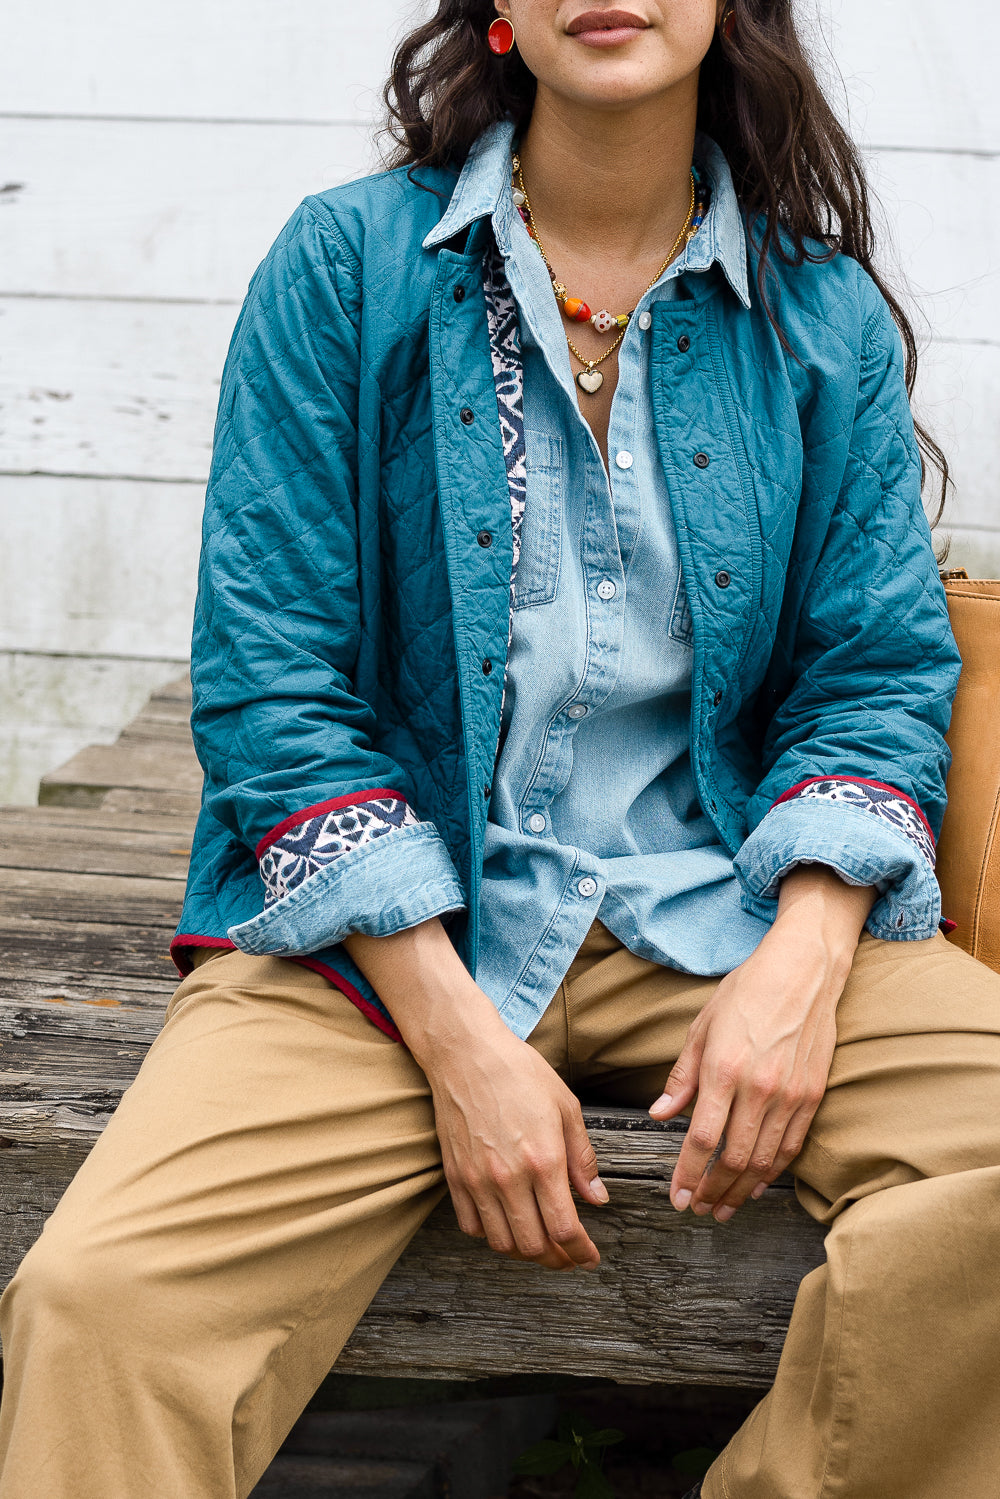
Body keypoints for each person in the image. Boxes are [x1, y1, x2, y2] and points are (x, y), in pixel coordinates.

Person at [2, 1, 998, 1495]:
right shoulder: (346, 269)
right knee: (101, 1307)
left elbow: (875, 672)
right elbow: (274, 688)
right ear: (496, 11)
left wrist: (801, 963)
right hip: (385, 939)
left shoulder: (819, 314)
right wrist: (457, 1043)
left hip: (727, 906)